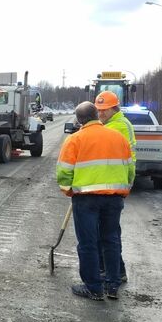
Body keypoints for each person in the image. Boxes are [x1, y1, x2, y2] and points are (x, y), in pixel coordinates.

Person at [57, 101, 134, 301]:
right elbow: (130, 168)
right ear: (97, 115)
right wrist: (124, 190)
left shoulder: (75, 139)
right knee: (111, 240)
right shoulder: (119, 138)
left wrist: (69, 190)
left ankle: (93, 288)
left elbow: (64, 172)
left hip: (86, 200)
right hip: (114, 198)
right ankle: (112, 286)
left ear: (79, 120)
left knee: (88, 243)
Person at [95, 90, 136, 283]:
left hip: (112, 185)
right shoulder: (112, 123)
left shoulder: (118, 126)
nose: (101, 113)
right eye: (99, 109)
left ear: (114, 108)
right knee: (109, 233)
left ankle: (113, 273)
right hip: (111, 183)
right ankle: (116, 271)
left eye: (105, 110)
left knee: (108, 235)